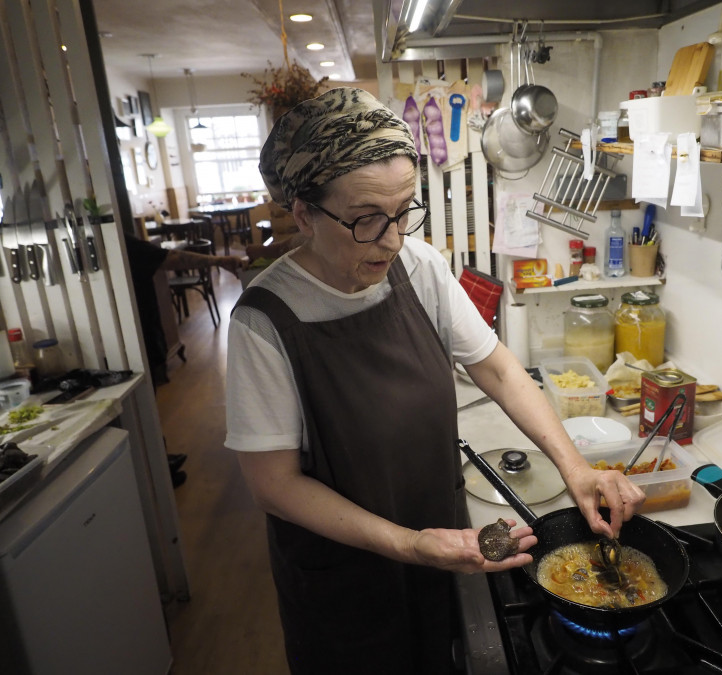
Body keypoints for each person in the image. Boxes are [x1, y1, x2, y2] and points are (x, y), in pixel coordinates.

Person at [224, 88, 645, 674]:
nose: (393, 239)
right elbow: (273, 485)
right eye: (366, 219)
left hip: (441, 545)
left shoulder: (418, 269)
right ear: (305, 215)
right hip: (345, 576)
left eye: (403, 211)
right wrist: (407, 543)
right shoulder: (265, 321)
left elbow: (498, 367)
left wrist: (577, 468)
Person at [124, 232, 243, 486]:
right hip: (136, 334)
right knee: (144, 405)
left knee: (146, 404)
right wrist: (218, 261)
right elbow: (173, 258)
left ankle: (158, 458)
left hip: (130, 334)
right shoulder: (123, 242)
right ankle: (156, 467)